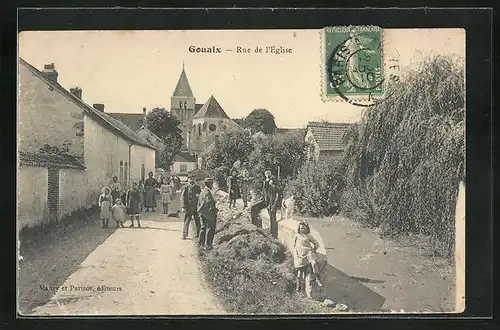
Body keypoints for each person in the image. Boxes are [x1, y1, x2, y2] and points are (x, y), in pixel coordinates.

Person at [293, 221, 323, 293]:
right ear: (299, 229)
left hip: (308, 253)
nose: (303, 230)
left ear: (307, 229)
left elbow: (317, 244)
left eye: (304, 228)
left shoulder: (308, 236)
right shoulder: (297, 236)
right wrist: (296, 254)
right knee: (300, 271)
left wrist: (313, 250)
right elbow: (293, 245)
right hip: (300, 254)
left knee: (314, 263)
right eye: (301, 228)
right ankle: (299, 285)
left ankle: (317, 278)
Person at [197, 177, 218, 250]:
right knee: (210, 229)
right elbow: (209, 202)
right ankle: (208, 245)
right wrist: (214, 210)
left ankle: (201, 244)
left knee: (203, 228)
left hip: (202, 212)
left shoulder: (203, 191)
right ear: (209, 184)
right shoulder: (207, 192)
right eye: (212, 184)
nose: (213, 185)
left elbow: (200, 202)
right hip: (208, 214)